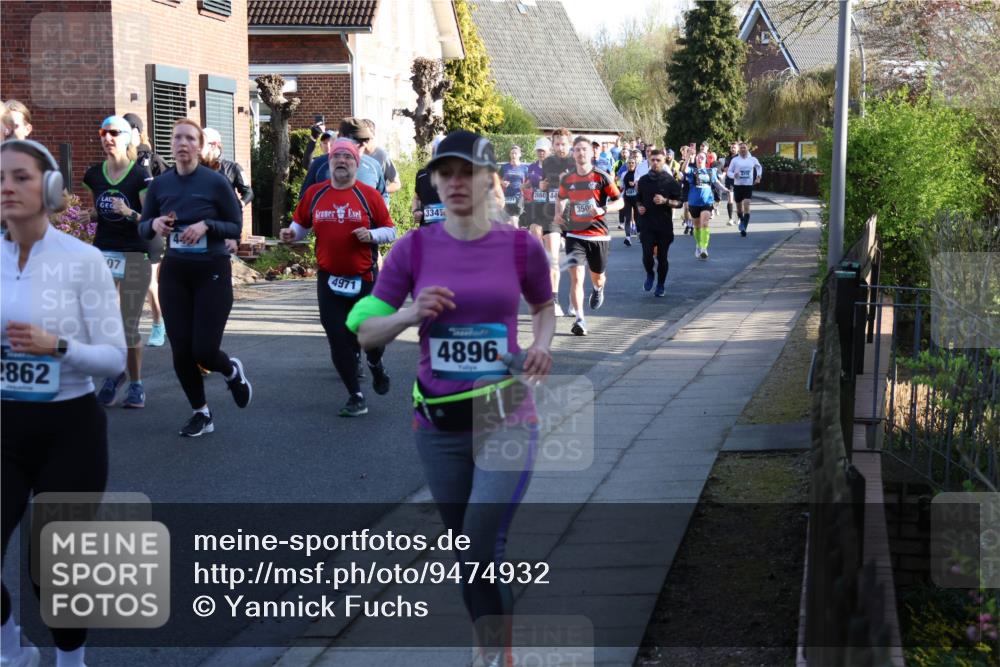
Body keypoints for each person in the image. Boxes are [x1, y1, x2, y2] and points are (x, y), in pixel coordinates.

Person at [347, 130, 555, 667]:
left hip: (505, 413)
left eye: (468, 172)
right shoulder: (414, 248)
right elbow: (365, 332)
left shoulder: (519, 245)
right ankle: (488, 642)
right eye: (447, 173)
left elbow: (544, 306)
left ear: (490, 179)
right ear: (435, 181)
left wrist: (541, 345)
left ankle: (496, 657)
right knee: (468, 556)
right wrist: (409, 314)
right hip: (437, 424)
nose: (457, 182)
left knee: (484, 548)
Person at [2, 138, 126, 667]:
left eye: (21, 177)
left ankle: (70, 660)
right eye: (0, 178)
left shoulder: (84, 261)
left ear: (50, 189)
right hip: (5, 425)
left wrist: (59, 346)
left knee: (51, 568)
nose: (7, 186)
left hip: (70, 429)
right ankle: (11, 649)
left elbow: (115, 358)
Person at [138, 119, 251, 437]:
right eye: (177, 138)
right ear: (171, 145)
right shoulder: (160, 185)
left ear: (200, 147)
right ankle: (201, 412)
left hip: (211, 270)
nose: (183, 143)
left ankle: (231, 370)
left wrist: (206, 225)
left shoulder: (214, 182)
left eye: (190, 138)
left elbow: (234, 226)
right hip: (174, 271)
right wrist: (155, 225)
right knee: (181, 350)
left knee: (203, 349)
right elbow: (143, 226)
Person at [281, 138, 395, 417]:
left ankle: (375, 363)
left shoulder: (369, 196)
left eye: (348, 157)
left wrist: (371, 235)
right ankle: (355, 395)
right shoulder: (316, 194)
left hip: (364, 276)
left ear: (357, 164)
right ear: (329, 162)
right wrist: (291, 234)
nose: (341, 161)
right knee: (337, 336)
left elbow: (390, 231)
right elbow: (301, 226)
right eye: (337, 157)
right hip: (329, 277)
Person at [84, 116, 154, 409]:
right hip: (103, 253)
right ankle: (115, 373)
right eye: (103, 132)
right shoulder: (93, 175)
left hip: (135, 253)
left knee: (128, 324)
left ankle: (136, 383)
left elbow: (150, 221)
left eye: (114, 133)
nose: (107, 138)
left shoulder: (140, 176)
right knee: (103, 321)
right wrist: (92, 214)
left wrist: (128, 211)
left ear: (127, 138)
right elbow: (94, 210)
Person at [555, 136, 623, 336]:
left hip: (598, 235)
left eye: (584, 149)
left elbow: (620, 202)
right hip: (575, 234)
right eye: (577, 150)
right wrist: (558, 213)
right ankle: (580, 320)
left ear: (592, 152)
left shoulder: (601, 176)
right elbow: (560, 199)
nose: (580, 153)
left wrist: (602, 209)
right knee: (576, 277)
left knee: (598, 277)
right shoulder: (568, 179)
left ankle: (598, 288)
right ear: (572, 153)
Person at [123, 112, 168, 346]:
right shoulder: (117, 161)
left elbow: (169, 187)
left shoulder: (151, 159)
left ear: (138, 131)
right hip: (124, 229)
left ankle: (159, 324)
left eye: (127, 128)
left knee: (150, 283)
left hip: (149, 228)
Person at [299, 117, 387, 204]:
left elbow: (383, 195)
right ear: (341, 138)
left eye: (366, 140)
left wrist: (382, 211)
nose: (364, 144)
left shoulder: (373, 166)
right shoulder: (320, 164)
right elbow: (304, 200)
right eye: (358, 140)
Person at [636, 149, 683, 297]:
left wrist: (665, 201)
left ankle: (661, 285)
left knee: (662, 257)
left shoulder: (670, 181)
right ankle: (650, 273)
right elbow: (637, 199)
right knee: (647, 255)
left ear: (664, 162)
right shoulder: (643, 180)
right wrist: (639, 207)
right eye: (653, 160)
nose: (655, 162)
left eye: (658, 160)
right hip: (647, 224)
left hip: (664, 225)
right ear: (649, 161)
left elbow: (680, 202)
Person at [539, 128, 576, 317]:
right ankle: (554, 301)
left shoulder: (576, 161)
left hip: (573, 217)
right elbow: (544, 183)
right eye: (557, 144)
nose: (560, 147)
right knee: (553, 258)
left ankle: (573, 301)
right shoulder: (547, 162)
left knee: (573, 262)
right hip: (552, 216)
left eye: (563, 144)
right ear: (552, 145)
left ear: (570, 144)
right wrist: (542, 185)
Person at [201, 127, 254, 208]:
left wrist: (241, 204)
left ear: (214, 145)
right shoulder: (196, 168)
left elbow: (248, 192)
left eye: (202, 144)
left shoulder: (233, 167)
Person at [685, 152, 723, 260]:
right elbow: (684, 170)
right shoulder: (692, 171)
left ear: (705, 160)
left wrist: (725, 189)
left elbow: (716, 183)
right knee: (697, 226)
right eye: (698, 157)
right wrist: (688, 157)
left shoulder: (711, 171)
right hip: (693, 202)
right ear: (696, 159)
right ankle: (699, 245)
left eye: (702, 157)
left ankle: (704, 248)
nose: (700, 158)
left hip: (707, 202)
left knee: (704, 223)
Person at [726, 141, 764, 237]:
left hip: (748, 185)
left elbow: (759, 167)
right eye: (741, 148)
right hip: (738, 186)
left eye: (744, 148)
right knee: (739, 207)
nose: (743, 149)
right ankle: (742, 220)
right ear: (739, 150)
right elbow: (729, 172)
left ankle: (744, 227)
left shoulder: (752, 159)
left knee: (746, 204)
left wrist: (758, 177)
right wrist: (734, 175)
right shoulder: (735, 160)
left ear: (747, 149)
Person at [361, 119, 401, 195]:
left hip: (377, 203)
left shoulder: (382, 156)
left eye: (366, 137)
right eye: (360, 137)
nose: (363, 140)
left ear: (373, 135)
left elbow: (396, 184)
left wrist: (379, 191)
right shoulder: (356, 155)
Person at [522, 137, 549, 240]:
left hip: (549, 205)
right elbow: (529, 182)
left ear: (548, 152)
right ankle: (540, 253)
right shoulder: (532, 167)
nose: (541, 153)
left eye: (543, 151)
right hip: (536, 204)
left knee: (546, 236)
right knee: (534, 229)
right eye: (539, 150)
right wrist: (524, 186)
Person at [499, 145, 528, 227]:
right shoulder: (504, 167)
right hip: (506, 197)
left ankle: (517, 239)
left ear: (520, 155)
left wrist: (524, 186)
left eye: (515, 153)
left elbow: (529, 182)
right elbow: (497, 179)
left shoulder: (525, 168)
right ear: (510, 155)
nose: (513, 155)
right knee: (506, 223)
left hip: (518, 197)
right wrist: (502, 182)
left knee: (514, 222)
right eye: (512, 153)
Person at [619, 153, 640, 247]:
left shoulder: (638, 173)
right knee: (627, 218)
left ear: (635, 164)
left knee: (637, 217)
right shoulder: (624, 174)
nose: (631, 164)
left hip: (636, 198)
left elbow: (641, 185)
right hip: (627, 198)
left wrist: (636, 184)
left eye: (632, 163)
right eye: (629, 163)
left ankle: (639, 235)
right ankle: (628, 238)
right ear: (627, 164)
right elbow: (621, 186)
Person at [724, 141, 739, 225]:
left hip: (738, 181)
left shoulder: (740, 157)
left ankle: (739, 216)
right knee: (730, 198)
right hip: (729, 180)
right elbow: (725, 169)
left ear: (737, 149)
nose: (733, 149)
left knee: (738, 200)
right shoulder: (727, 158)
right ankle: (730, 219)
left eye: (734, 147)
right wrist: (726, 170)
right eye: (731, 147)